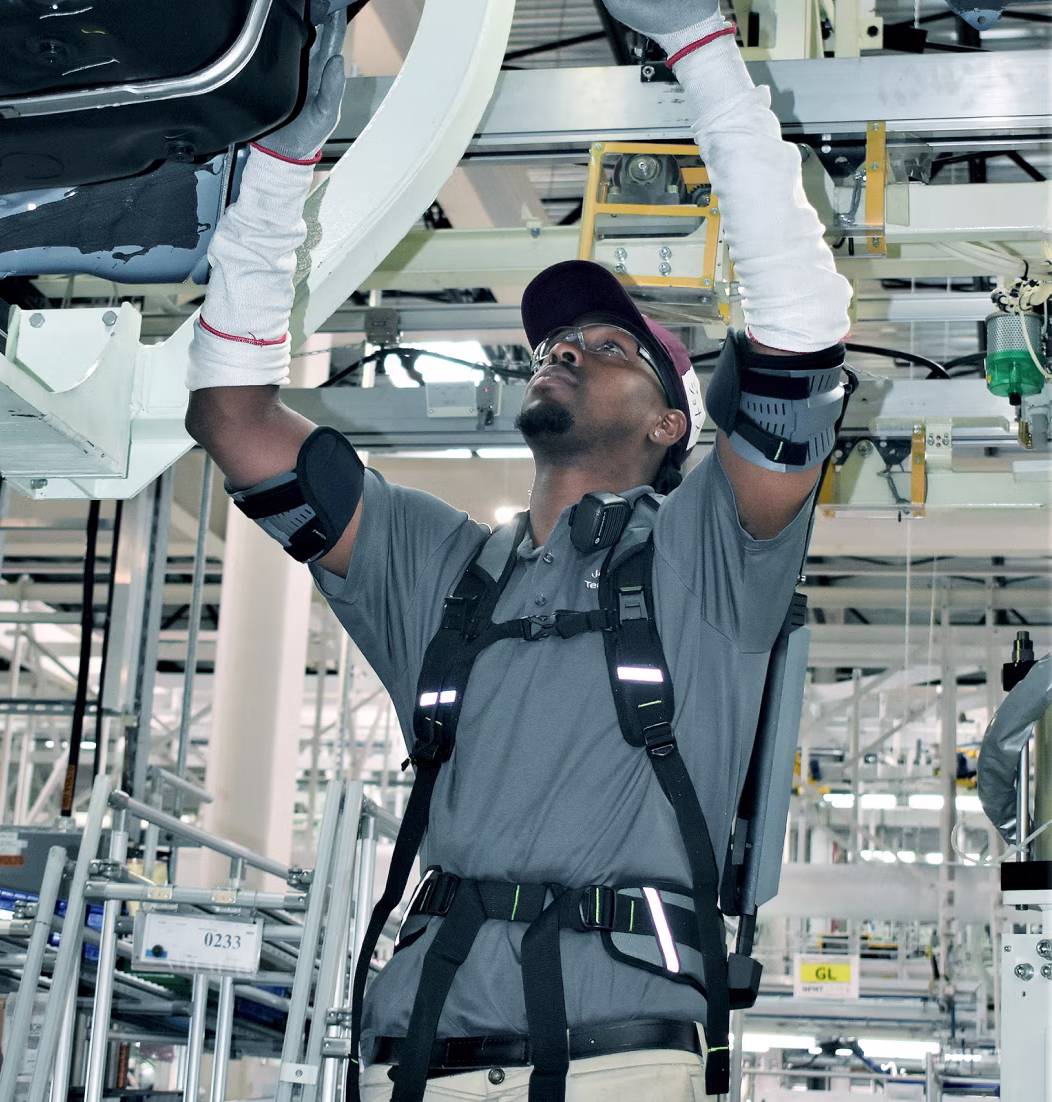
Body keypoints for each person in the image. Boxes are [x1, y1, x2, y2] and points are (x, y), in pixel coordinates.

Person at [185, 1, 852, 1099]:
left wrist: (697, 46)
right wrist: (283, 153)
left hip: (618, 1062)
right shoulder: (439, 567)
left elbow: (797, 334)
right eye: (553, 343)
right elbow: (233, 421)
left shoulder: (714, 554)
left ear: (669, 423)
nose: (566, 351)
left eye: (607, 348)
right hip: (418, 1058)